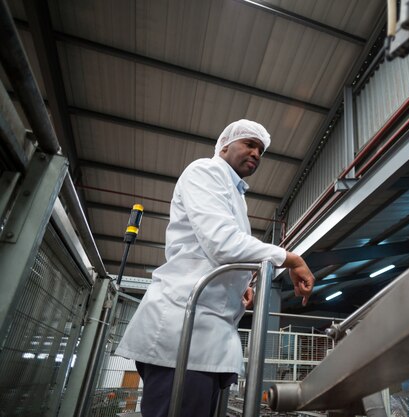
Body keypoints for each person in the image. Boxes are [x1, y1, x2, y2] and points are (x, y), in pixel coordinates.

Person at [115, 119, 315, 417]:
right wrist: (291, 258)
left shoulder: (234, 193)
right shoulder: (205, 171)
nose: (256, 153)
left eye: (261, 149)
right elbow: (222, 243)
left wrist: (241, 285)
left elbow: (216, 250)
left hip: (206, 339)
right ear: (224, 146)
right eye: (249, 144)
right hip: (183, 334)